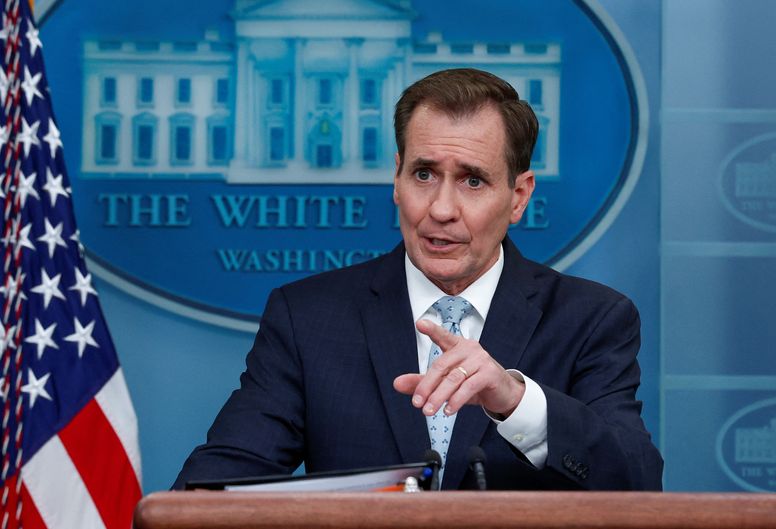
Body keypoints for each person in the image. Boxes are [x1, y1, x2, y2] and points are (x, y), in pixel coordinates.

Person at [173, 68, 663, 491]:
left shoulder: (591, 320)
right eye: (424, 174)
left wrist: (516, 402)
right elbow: (212, 490)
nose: (441, 209)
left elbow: (638, 482)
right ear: (396, 177)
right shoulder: (309, 318)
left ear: (518, 196)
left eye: (473, 180)